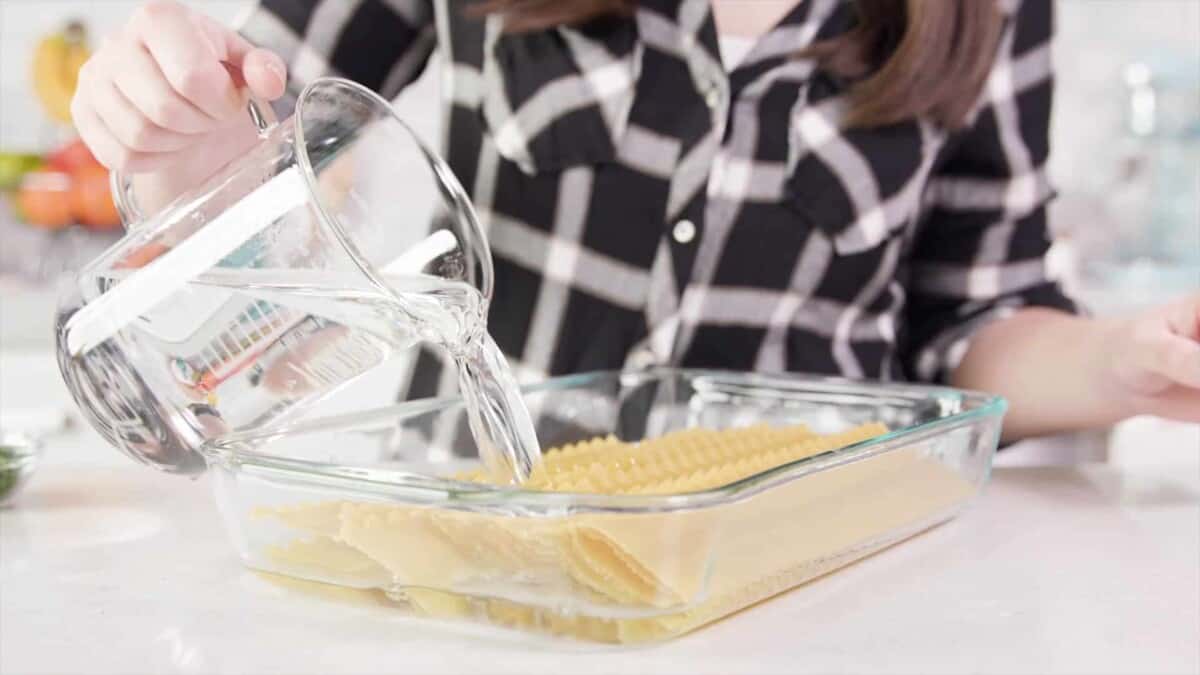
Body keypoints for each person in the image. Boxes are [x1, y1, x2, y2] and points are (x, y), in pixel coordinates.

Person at [70, 0, 1199, 442]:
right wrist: (173, 127)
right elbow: (254, 139)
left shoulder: (984, 14)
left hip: (808, 573)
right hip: (474, 549)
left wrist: (1121, 365)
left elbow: (974, 323)